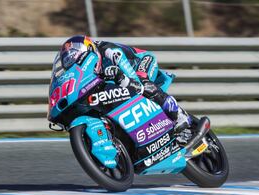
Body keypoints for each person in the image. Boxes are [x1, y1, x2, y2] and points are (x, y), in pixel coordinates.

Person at [59, 35, 192, 139]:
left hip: (141, 62)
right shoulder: (89, 71)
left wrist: (129, 80)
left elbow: (131, 77)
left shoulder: (107, 50)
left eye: (77, 59)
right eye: (71, 64)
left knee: (142, 82)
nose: (76, 64)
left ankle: (179, 115)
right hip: (121, 78)